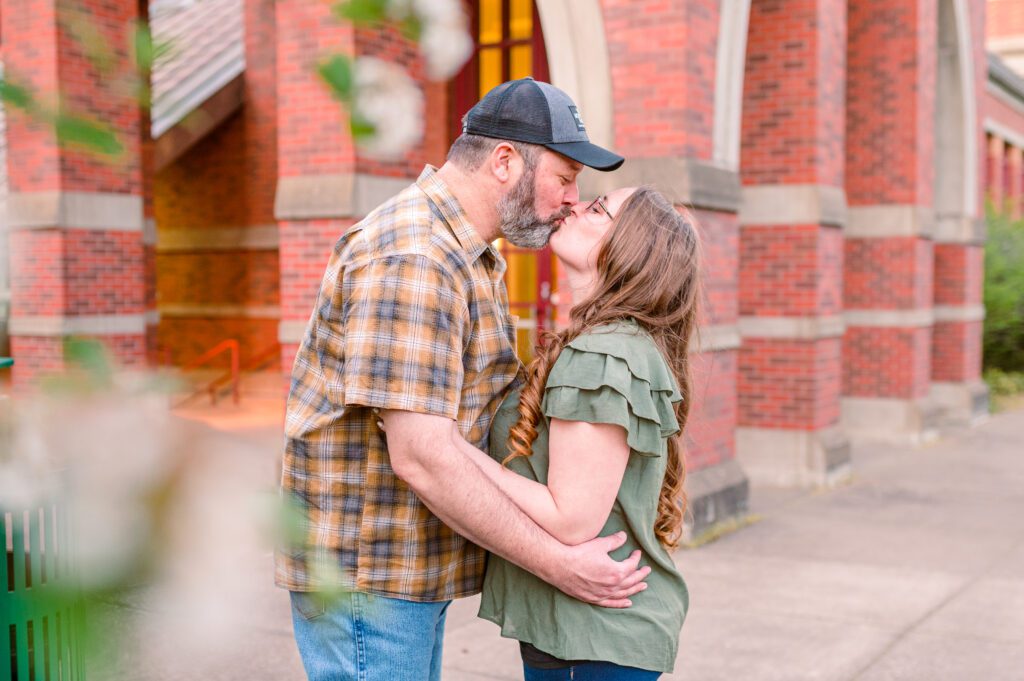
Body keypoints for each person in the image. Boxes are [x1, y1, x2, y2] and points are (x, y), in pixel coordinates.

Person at [278, 77, 650, 681]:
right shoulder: (414, 257)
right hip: (368, 580)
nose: (570, 200)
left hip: (402, 573)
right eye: (564, 178)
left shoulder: (470, 253)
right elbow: (423, 456)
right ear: (506, 161)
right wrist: (559, 562)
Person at [453, 186, 701, 679]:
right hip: (584, 636)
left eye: (597, 208)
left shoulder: (603, 354)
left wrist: (452, 454)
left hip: (591, 640)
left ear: (624, 250)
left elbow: (572, 519)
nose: (575, 205)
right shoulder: (610, 343)